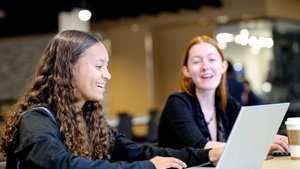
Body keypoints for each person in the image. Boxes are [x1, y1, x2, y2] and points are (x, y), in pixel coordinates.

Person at [0, 30, 223, 169]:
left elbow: (142, 152)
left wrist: (206, 154)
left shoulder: (89, 120)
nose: (107, 75)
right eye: (99, 66)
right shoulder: (36, 119)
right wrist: (147, 167)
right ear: (68, 69)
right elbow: (62, 165)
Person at [157, 35, 289, 154]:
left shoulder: (226, 103)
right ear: (187, 71)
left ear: (223, 66)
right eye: (197, 61)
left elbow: (254, 132)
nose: (205, 66)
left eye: (212, 59)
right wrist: (260, 146)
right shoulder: (177, 103)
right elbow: (200, 147)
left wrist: (272, 138)